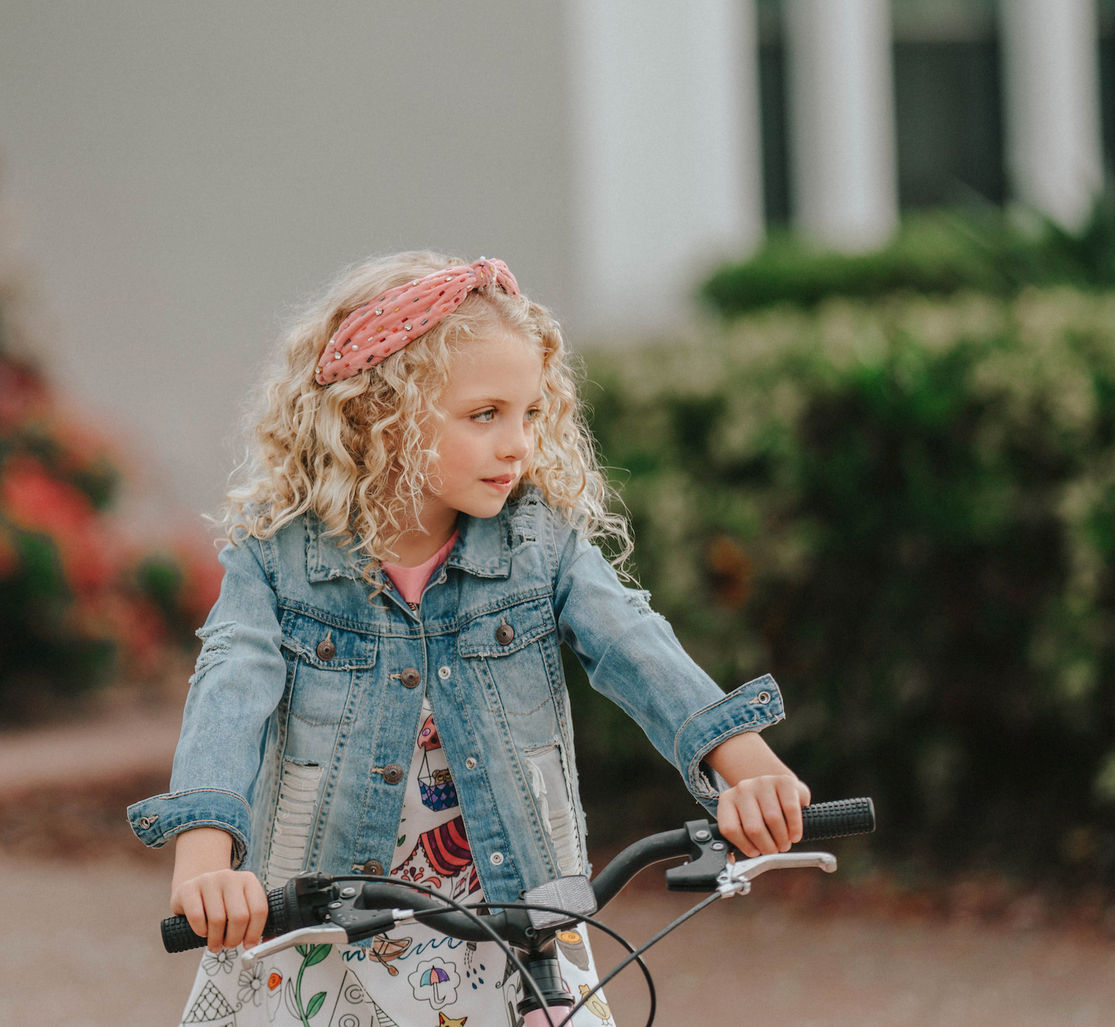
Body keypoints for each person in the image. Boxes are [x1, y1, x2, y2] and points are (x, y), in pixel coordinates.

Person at [129, 252, 810, 1024]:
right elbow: (229, 689)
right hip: (328, 934)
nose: (517, 443)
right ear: (375, 414)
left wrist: (742, 763)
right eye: (484, 414)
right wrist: (205, 862)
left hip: (512, 932)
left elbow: (630, 639)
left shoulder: (536, 545)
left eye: (528, 413)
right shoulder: (279, 563)